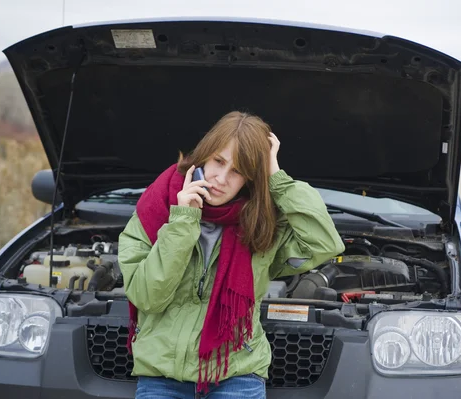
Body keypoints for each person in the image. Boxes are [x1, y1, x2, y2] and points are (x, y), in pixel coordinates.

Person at [118, 111, 345, 399]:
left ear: (250, 179)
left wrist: (277, 177)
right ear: (203, 156)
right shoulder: (154, 210)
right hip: (162, 377)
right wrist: (183, 221)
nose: (221, 179)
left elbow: (324, 242)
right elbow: (148, 296)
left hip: (236, 376)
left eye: (238, 172)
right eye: (218, 161)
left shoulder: (263, 224)